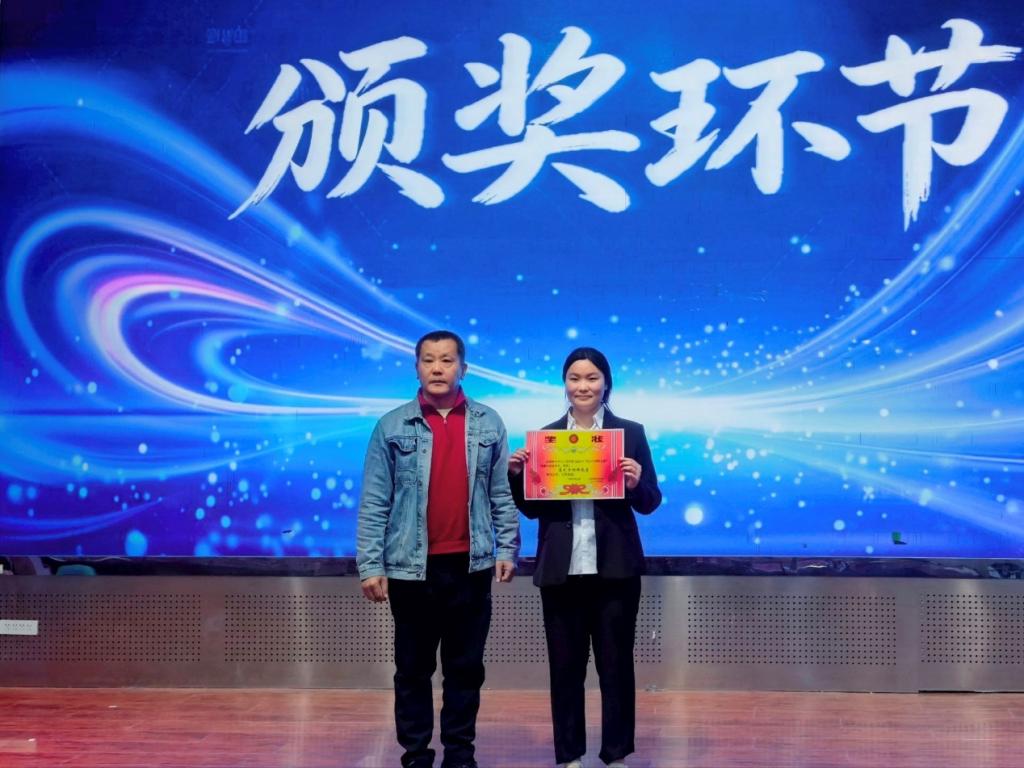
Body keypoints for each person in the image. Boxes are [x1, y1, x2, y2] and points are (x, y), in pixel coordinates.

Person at [357, 330, 520, 768]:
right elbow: (375, 500)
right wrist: (370, 564)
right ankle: (415, 755)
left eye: (447, 360)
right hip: (411, 570)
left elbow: (501, 493)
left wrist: (507, 548)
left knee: (465, 669)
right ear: (416, 368)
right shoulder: (392, 425)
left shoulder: (488, 422)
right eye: (428, 360)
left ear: (463, 368)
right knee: (413, 670)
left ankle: (460, 756)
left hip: (471, 566)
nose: (437, 368)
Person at [509, 347, 661, 768]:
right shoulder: (546, 438)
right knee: (565, 669)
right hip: (562, 571)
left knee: (616, 668)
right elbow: (533, 509)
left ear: (606, 383)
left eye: (592, 378)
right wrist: (517, 477)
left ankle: (616, 755)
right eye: (575, 378)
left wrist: (635, 482)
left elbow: (651, 501)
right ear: (564, 384)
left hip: (615, 571)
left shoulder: (629, 434)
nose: (583, 386)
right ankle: (569, 755)